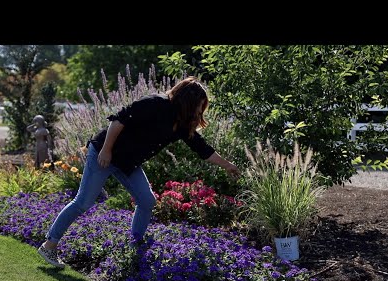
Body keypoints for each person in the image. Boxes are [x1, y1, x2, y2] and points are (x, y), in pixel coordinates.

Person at [37, 76, 240, 268]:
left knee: (147, 201)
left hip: (128, 163)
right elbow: (118, 121)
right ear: (188, 101)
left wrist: (228, 165)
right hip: (104, 154)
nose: (199, 111)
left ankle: (135, 245)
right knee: (83, 202)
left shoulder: (182, 123)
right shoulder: (154, 103)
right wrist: (106, 150)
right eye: (199, 105)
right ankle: (49, 246)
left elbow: (202, 148)